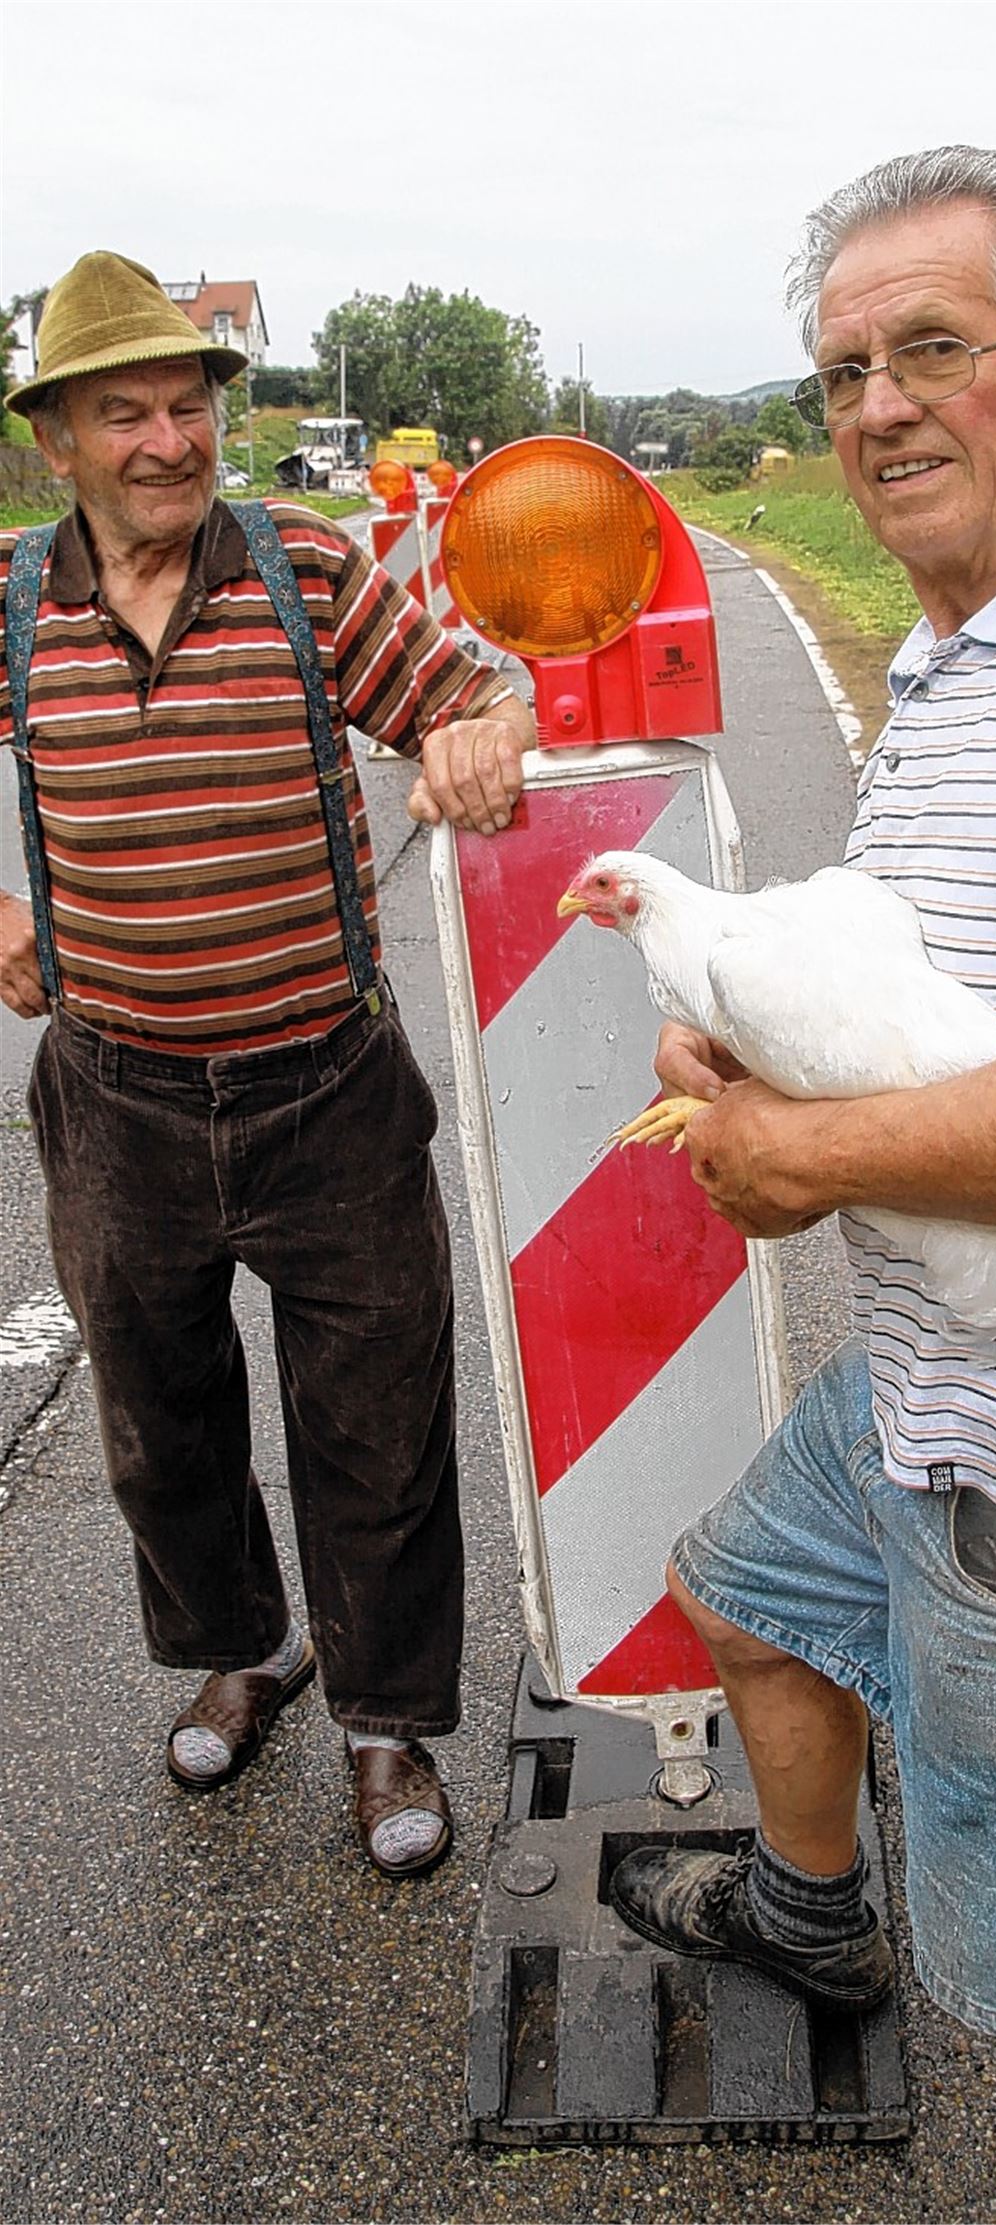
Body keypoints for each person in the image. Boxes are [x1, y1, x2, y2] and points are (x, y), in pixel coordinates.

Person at [607, 150, 996, 2223]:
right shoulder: (957, 666)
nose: (880, 408)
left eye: (936, 349)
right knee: (746, 1589)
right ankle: (817, 1910)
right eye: (844, 371)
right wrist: (752, 1062)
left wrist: (799, 1155)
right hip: (927, 1397)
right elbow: (918, 1008)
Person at [0, 251, 529, 1881]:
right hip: (118, 1100)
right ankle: (252, 1644)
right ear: (58, 446)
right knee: (160, 1424)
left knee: (375, 1423)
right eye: (125, 414)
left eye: (185, 404)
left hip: (327, 1089)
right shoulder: (18, 599)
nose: (167, 439)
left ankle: (385, 1720)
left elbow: (471, 684)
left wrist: (480, 728)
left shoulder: (300, 567)